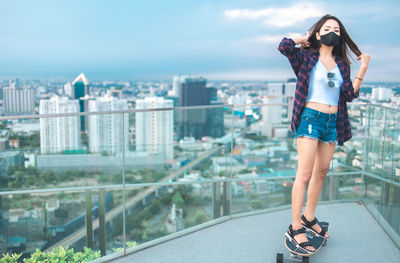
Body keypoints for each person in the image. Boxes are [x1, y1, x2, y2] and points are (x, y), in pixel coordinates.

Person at [278, 14, 371, 253]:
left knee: (321, 171)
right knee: (305, 173)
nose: (333, 32)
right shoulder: (305, 57)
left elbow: (349, 94)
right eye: (327, 28)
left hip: (333, 121)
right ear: (318, 34)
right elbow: (284, 46)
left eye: (337, 30)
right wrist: (306, 38)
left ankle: (310, 217)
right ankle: (296, 226)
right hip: (310, 118)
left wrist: (364, 67)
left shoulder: (342, 64)